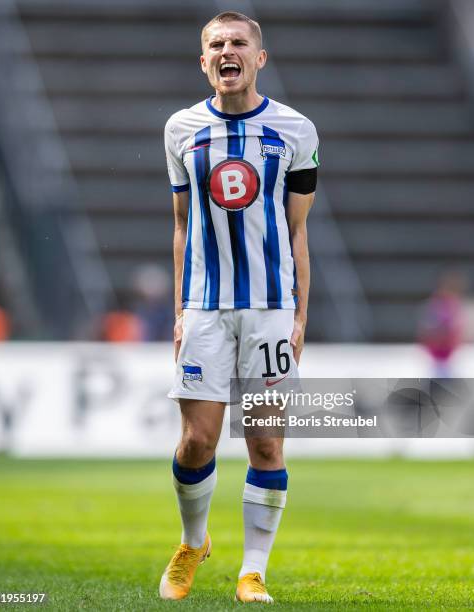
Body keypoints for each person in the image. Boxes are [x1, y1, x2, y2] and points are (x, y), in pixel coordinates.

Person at [160, 11, 319, 603]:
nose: (228, 52)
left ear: (259, 58)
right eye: (216, 45)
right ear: (204, 62)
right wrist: (179, 311)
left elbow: (298, 231)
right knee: (197, 441)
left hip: (272, 307)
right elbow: (180, 225)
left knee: (266, 443)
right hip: (204, 305)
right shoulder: (181, 129)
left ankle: (253, 571)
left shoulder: (295, 130)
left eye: (239, 43)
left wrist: (301, 316)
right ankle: (193, 541)